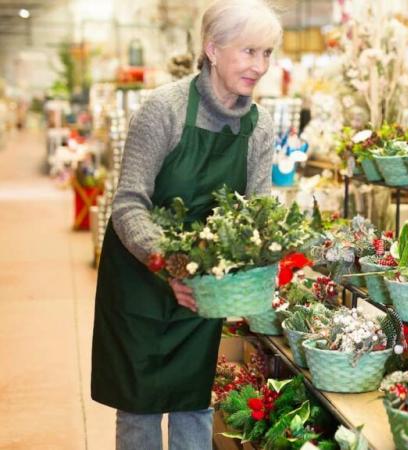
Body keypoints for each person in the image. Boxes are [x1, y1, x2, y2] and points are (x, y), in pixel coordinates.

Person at [90, 1, 280, 448]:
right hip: (142, 277)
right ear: (212, 49)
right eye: (249, 51)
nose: (260, 66)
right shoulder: (164, 110)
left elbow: (256, 213)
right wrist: (173, 265)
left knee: (194, 403)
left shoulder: (259, 127)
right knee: (140, 406)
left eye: (268, 53)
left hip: (201, 290)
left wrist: (252, 268)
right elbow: (129, 204)